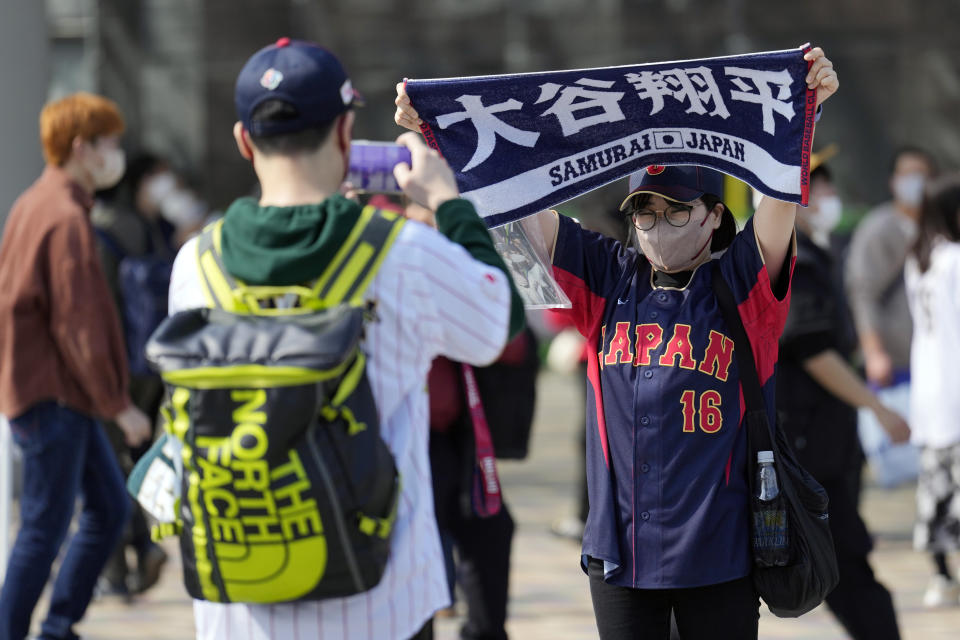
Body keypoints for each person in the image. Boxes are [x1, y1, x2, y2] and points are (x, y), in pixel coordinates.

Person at [397, 47, 838, 639]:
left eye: (674, 211)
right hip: (620, 554)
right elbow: (524, 201)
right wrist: (439, 130)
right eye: (644, 214)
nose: (655, 226)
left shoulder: (740, 287)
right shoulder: (609, 277)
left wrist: (803, 108)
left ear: (713, 216)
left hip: (722, 554)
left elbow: (779, 197)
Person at [169, 38, 522, 640]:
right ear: (344, 133)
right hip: (377, 598)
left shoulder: (195, 264)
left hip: (240, 602)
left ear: (243, 140)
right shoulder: (401, 254)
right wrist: (446, 202)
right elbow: (498, 324)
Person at [0, 92, 151, 640]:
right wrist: (120, 405)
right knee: (43, 527)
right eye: (109, 142)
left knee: (106, 511)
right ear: (83, 148)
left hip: (57, 396)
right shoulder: (64, 217)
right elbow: (79, 325)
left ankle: (57, 626)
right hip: (58, 398)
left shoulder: (35, 204)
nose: (116, 153)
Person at [777, 161, 907, 638]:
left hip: (823, 440)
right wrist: (877, 407)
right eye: (815, 184)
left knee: (840, 564)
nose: (826, 194)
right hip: (808, 446)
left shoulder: (816, 252)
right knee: (844, 565)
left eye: (828, 182)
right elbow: (812, 350)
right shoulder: (797, 262)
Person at [92, 152, 178, 597]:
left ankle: (133, 554)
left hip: (118, 366)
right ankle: (137, 550)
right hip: (149, 362)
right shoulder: (145, 227)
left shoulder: (106, 224)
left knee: (110, 468)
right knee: (132, 462)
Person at [904, 174, 960, 608]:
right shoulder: (955, 259)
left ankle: (942, 577)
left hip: (931, 394)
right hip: (954, 392)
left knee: (937, 491)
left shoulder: (920, 257)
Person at [845, 146, 938, 388]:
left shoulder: (940, 229)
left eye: (922, 174)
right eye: (908, 175)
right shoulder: (878, 228)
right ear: (893, 182)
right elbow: (863, 293)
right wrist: (874, 353)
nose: (916, 182)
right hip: (894, 367)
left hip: (936, 362)